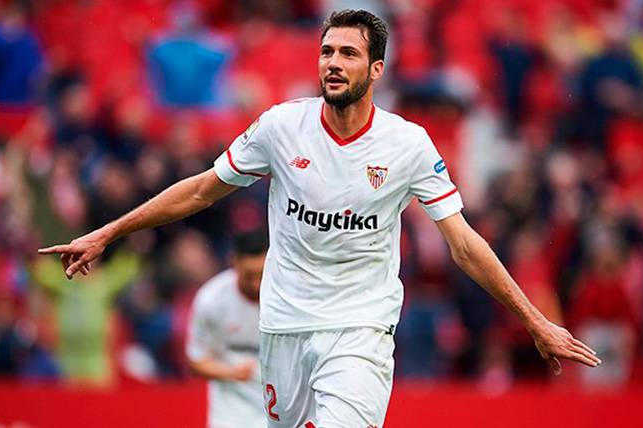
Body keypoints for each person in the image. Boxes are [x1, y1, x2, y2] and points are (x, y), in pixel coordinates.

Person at [39, 9, 601, 427]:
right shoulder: (282, 127)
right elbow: (200, 192)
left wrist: (534, 321)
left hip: (358, 329)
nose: (333, 63)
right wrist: (111, 232)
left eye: (348, 54)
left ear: (376, 68)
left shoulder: (407, 144)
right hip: (282, 328)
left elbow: (463, 243)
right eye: (327, 52)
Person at [186, 230, 268, 427]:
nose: (256, 285)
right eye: (249, 276)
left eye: (262, 275)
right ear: (234, 262)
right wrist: (233, 373)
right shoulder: (212, 299)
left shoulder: (289, 296)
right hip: (231, 409)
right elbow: (196, 361)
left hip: (280, 405)